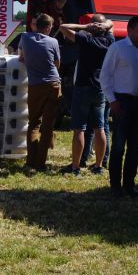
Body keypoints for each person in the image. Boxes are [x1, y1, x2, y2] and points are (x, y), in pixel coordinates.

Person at [100, 16, 138, 197]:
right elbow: (105, 76)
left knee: (135, 147)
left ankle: (129, 185)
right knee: (118, 146)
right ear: (129, 30)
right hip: (122, 102)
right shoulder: (117, 48)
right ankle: (115, 186)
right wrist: (112, 101)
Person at [58, 14, 114, 176]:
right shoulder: (110, 41)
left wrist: (85, 27)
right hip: (100, 88)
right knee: (100, 128)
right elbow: (112, 26)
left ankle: (76, 167)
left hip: (82, 86)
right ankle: (98, 166)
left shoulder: (86, 39)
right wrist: (104, 25)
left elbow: (63, 27)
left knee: (79, 129)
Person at [18, 13, 61, 171]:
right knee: (47, 125)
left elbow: (21, 57)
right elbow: (57, 64)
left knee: (34, 123)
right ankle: (40, 163)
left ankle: (30, 161)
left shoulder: (25, 38)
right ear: (48, 27)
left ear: (36, 25)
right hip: (53, 85)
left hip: (35, 85)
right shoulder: (53, 41)